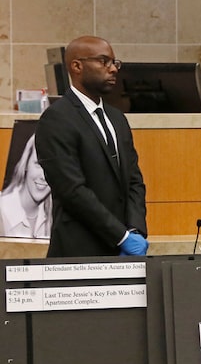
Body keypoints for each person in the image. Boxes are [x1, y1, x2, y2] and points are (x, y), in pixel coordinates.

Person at [35, 35, 149, 258]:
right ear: (77, 66)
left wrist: (135, 230)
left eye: (115, 63)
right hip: (79, 252)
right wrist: (121, 237)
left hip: (123, 253)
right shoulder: (57, 119)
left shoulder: (117, 118)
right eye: (104, 61)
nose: (113, 69)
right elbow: (72, 190)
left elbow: (134, 180)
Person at [0, 134, 52, 238]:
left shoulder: (54, 218)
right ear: (26, 164)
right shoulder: (2, 209)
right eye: (38, 164)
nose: (43, 176)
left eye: (51, 167)